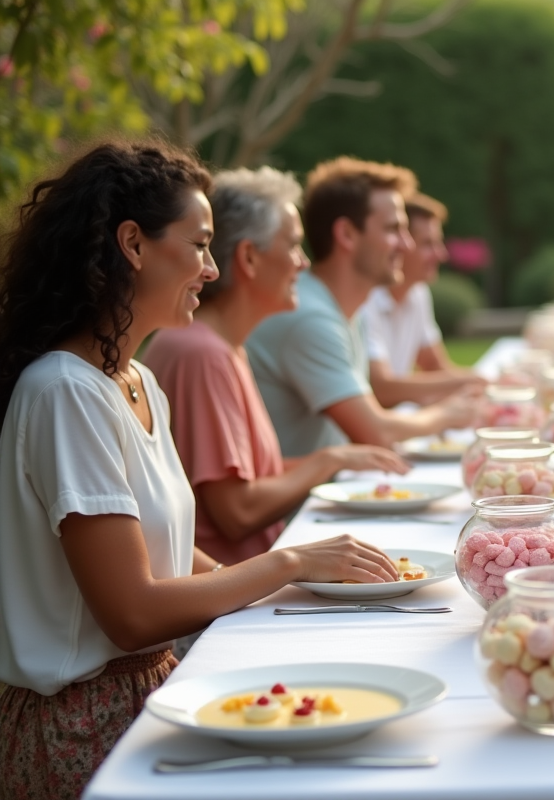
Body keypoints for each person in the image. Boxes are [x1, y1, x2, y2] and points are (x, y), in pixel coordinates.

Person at [0, 141, 403, 799]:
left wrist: (293, 596)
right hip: (81, 730)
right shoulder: (63, 391)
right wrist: (289, 566)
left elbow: (165, 550)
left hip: (152, 696)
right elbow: (131, 611)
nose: (212, 270)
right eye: (199, 245)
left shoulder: (135, 381)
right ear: (133, 244)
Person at [143, 166, 409, 565]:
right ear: (249, 257)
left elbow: (249, 475)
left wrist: (339, 460)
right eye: (293, 246)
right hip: (229, 600)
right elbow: (237, 512)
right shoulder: (200, 352)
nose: (303, 264)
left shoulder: (227, 345)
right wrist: (329, 460)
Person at [246, 157, 477, 458]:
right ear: (346, 235)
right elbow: (376, 432)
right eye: (394, 229)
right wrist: (447, 416)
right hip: (297, 504)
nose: (406, 246)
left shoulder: (346, 309)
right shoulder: (311, 317)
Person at [361, 190, 484, 407]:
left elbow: (435, 365)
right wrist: (470, 380)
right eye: (428, 244)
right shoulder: (365, 299)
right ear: (400, 243)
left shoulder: (417, 293)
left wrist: (481, 382)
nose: (441, 254)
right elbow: (381, 388)